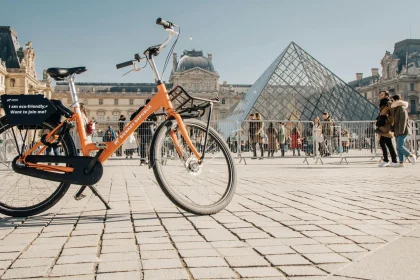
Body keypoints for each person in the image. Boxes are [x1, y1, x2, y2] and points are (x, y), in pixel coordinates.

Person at [391, 94, 417, 167]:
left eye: (392, 100)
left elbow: (403, 120)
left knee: (400, 146)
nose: (391, 102)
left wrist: (401, 130)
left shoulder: (401, 108)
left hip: (402, 130)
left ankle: (411, 155)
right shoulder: (396, 108)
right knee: (398, 147)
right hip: (397, 130)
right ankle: (401, 162)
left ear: (396, 100)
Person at [131, 99, 157, 166]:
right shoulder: (151, 109)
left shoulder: (141, 108)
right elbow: (155, 119)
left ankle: (143, 160)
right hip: (149, 129)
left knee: (142, 146)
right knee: (150, 146)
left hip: (142, 129)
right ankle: (150, 160)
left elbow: (133, 117)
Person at [376, 91, 398, 167]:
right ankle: (394, 160)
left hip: (386, 126)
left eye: (381, 94)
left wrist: (385, 121)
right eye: (380, 94)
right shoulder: (383, 103)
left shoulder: (388, 103)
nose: (380, 95)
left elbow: (392, 115)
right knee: (388, 144)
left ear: (386, 95)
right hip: (383, 126)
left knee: (382, 142)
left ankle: (386, 160)